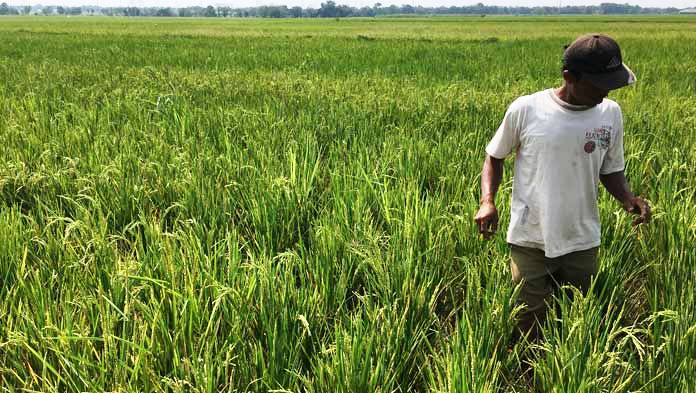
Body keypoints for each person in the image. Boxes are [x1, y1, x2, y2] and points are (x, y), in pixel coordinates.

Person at [473, 33, 651, 342]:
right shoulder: (527, 109)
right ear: (569, 77)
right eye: (597, 84)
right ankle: (531, 373)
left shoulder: (611, 113)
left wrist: (627, 198)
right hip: (530, 236)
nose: (604, 92)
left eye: (609, 84)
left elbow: (610, 169)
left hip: (582, 238)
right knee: (529, 317)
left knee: (579, 314)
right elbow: (494, 156)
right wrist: (488, 200)